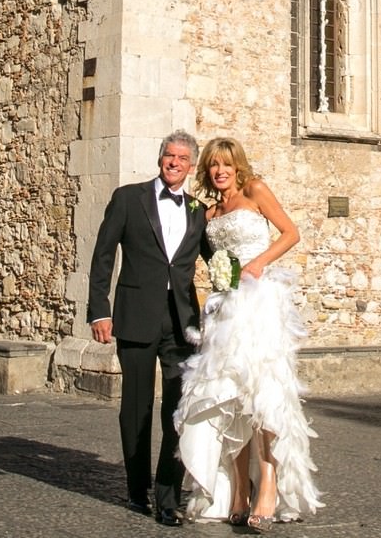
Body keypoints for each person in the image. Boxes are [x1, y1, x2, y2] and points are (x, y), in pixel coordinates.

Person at [175, 137, 321, 529]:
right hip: (225, 308)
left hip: (259, 302)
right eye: (212, 166)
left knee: (262, 391)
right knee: (229, 395)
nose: (219, 172)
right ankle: (240, 488)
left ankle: (269, 482)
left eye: (225, 165)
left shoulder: (255, 191)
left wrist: (257, 262)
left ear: (238, 167)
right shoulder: (209, 213)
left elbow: (290, 233)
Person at [87, 131, 209, 527]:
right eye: (169, 156)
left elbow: (221, 261)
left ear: (191, 166)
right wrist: (98, 311)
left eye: (182, 158)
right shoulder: (128, 198)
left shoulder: (198, 210)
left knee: (178, 410)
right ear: (160, 160)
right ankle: (137, 488)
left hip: (182, 324)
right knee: (135, 407)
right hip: (136, 315)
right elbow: (104, 254)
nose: (174, 162)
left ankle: (168, 497)